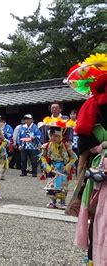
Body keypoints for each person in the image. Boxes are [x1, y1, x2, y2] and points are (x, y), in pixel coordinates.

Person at [66, 53, 107, 264]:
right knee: (98, 216)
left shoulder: (91, 109)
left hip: (99, 167)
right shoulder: (92, 108)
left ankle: (94, 257)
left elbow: (83, 145)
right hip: (101, 168)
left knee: (98, 216)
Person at [40, 117, 77, 209]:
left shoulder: (66, 146)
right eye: (52, 135)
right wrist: (46, 166)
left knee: (63, 186)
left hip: (63, 168)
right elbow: (42, 157)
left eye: (56, 136)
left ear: (61, 136)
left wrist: (69, 165)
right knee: (51, 185)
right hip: (52, 167)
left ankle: (62, 202)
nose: (54, 137)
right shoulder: (46, 146)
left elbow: (75, 157)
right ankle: (52, 201)